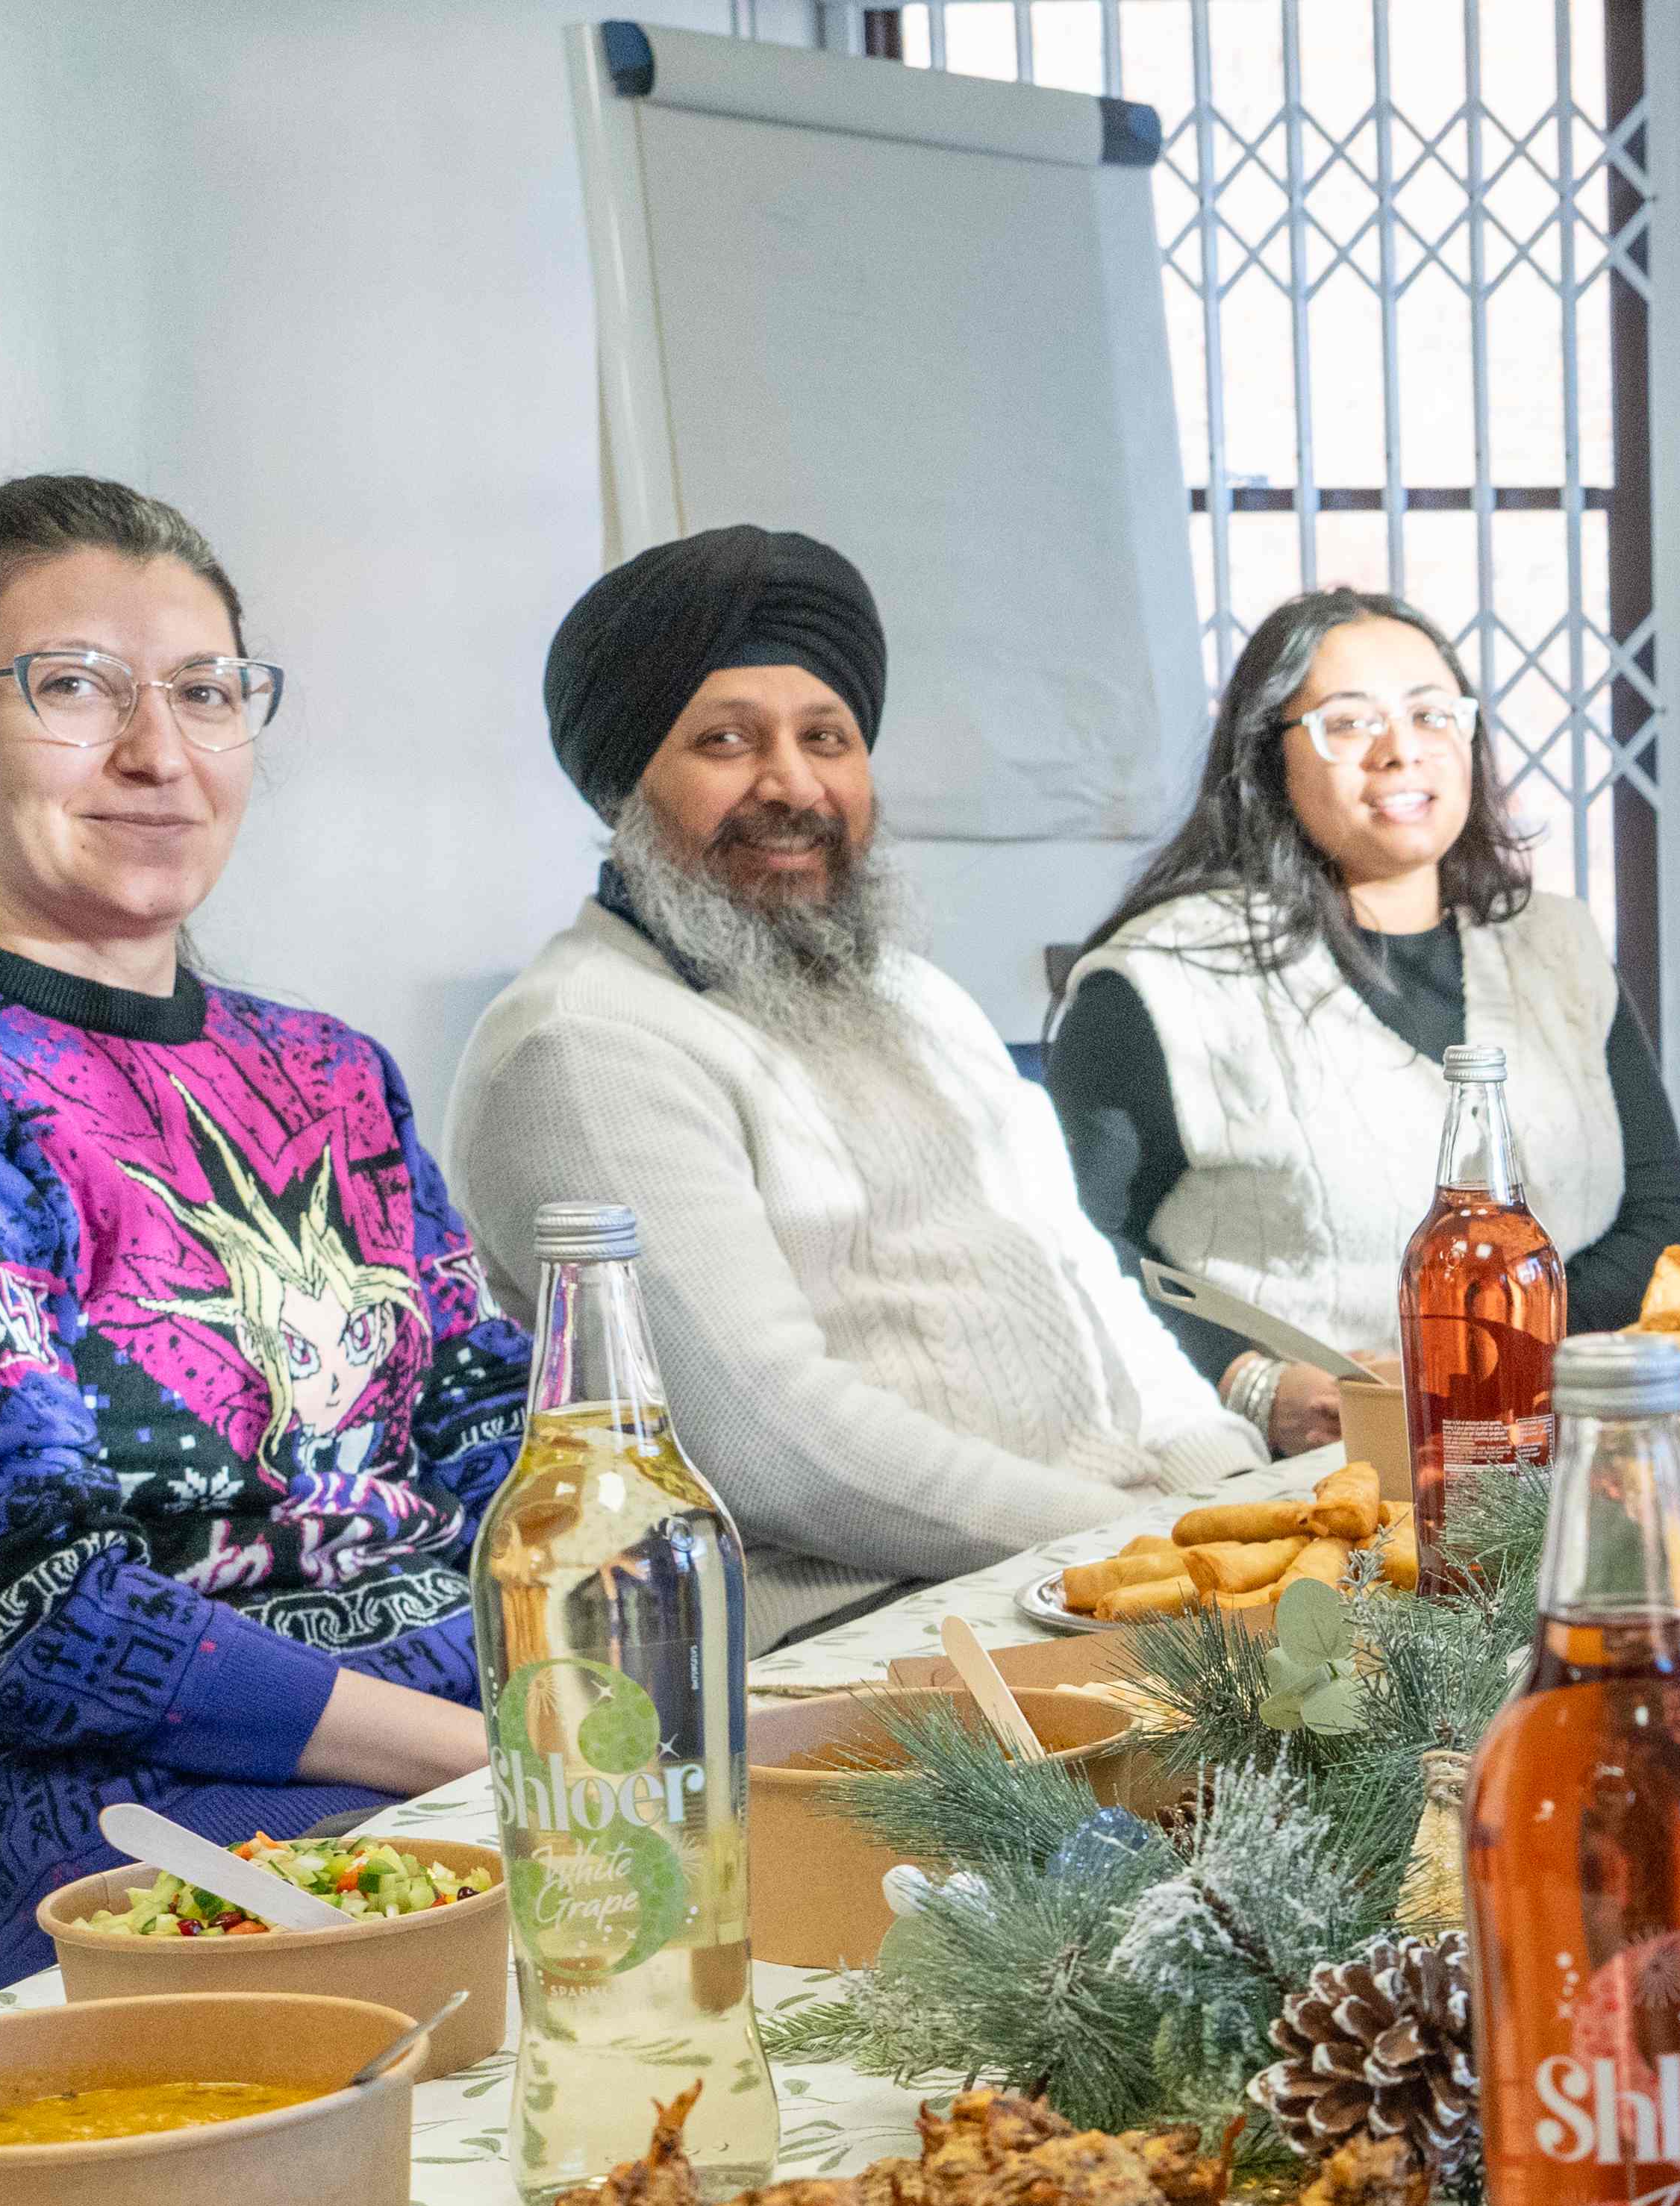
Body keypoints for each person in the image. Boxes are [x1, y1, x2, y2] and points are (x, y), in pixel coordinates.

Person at [0, 475, 522, 1980]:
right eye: (72, 688)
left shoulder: (335, 1068)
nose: (157, 752)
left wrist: (605, 1709)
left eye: (206, 694)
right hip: (159, 1822)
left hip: (482, 1750)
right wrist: (505, 1763)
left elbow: (506, 1446)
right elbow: (37, 1618)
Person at [448, 527, 1262, 1647]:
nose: (791, 783)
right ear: (627, 781)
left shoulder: (917, 997)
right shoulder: (581, 1044)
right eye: (726, 740)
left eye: (825, 736)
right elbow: (771, 1439)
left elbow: (1087, 1289)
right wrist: (1139, 1544)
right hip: (865, 1635)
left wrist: (1230, 1495)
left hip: (1086, 1572)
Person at [1049, 588, 1680, 1410]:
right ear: (1268, 757)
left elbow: (1661, 1215)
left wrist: (1496, 1374)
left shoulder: (1558, 948)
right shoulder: (1165, 980)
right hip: (1288, 1486)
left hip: (1555, 1448)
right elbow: (1072, 1248)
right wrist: (1251, 1383)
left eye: (1432, 715)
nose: (1401, 751)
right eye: (1349, 722)